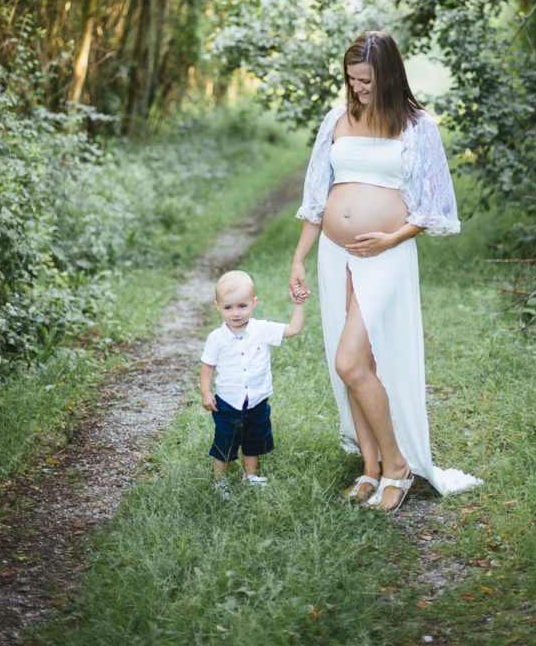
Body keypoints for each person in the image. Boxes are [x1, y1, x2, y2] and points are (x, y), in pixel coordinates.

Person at [289, 31, 482, 512]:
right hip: (337, 256)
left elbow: (433, 208)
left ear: (390, 76)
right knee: (358, 364)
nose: (358, 90)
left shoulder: (417, 126)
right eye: (352, 80)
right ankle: (370, 468)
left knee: (350, 361)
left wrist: (391, 237)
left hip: (386, 256)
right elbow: (316, 198)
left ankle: (397, 467)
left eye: (367, 82)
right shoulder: (336, 119)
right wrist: (298, 259)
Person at [201, 269, 305, 498]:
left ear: (253, 303)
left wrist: (298, 304)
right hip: (227, 403)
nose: (235, 313)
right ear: (217, 306)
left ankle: (250, 475)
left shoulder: (261, 330)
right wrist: (206, 392)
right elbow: (207, 366)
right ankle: (220, 481)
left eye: (242, 306)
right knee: (224, 442)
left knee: (254, 441)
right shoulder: (216, 338)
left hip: (257, 400)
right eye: (228, 308)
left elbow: (293, 329)